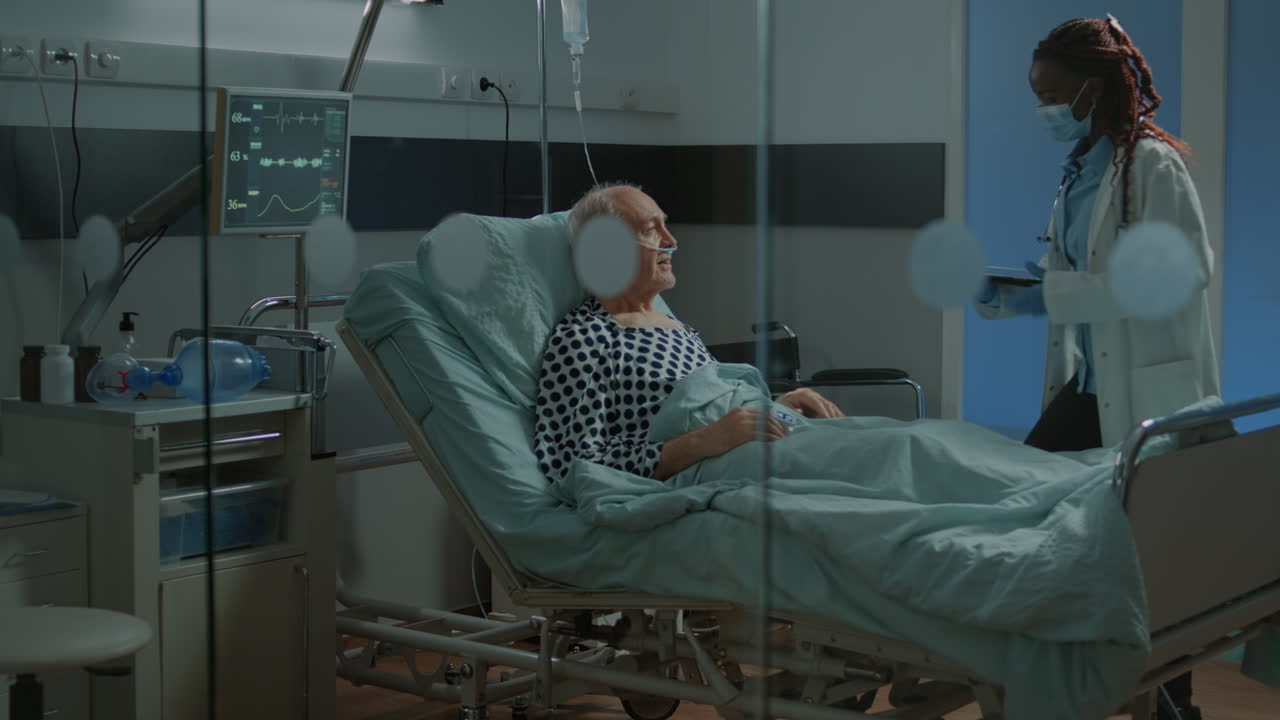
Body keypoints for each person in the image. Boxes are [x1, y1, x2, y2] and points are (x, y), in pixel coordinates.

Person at [974, 16, 1219, 719]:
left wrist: (1050, 290)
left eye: (1049, 93)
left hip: (1152, 393)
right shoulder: (1083, 167)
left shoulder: (1150, 164)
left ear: (1091, 88)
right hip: (1091, 385)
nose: (1041, 109)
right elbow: (1074, 277)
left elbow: (1178, 274)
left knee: (1152, 564)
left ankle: (1173, 705)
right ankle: (1063, 676)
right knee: (1031, 511)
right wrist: (1014, 295)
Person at [533, 182, 843, 484]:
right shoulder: (585, 337)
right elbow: (569, 465)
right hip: (723, 468)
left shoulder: (679, 330)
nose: (670, 240)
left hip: (765, 446)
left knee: (878, 444)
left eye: (664, 225)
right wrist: (706, 440)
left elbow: (716, 409)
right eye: (650, 229)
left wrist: (778, 410)